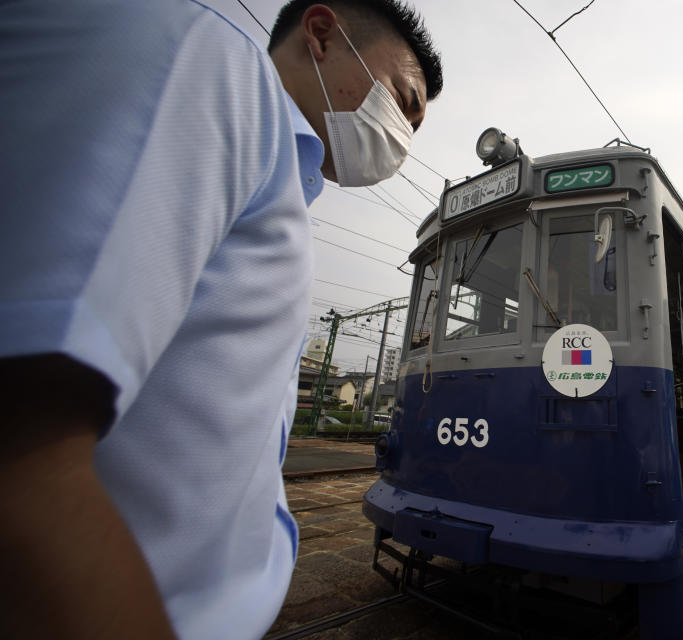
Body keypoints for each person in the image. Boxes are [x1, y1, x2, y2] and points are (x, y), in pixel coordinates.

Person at [0, 1, 442, 638]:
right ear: (322, 34)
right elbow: (24, 449)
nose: (402, 132)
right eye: (404, 100)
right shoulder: (211, 66)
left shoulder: (282, 179)